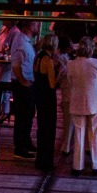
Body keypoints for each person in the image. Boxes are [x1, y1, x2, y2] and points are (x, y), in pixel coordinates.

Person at [66, 39, 97, 173]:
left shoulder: (71, 64)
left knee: (79, 134)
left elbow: (70, 82)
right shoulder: (96, 63)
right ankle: (95, 165)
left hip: (77, 101)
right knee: (95, 134)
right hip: (95, 101)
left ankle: (77, 166)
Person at [7, 21, 36, 156]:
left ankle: (26, 141)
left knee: (28, 114)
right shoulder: (20, 42)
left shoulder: (26, 41)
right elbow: (16, 64)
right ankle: (20, 146)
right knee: (22, 115)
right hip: (22, 84)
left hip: (27, 82)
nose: (37, 27)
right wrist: (22, 80)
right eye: (35, 24)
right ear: (29, 26)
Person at [34, 35, 62, 173]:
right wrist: (60, 73)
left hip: (39, 96)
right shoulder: (48, 60)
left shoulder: (38, 57)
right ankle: (47, 162)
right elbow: (52, 84)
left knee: (41, 128)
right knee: (49, 130)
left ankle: (40, 159)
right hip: (48, 98)